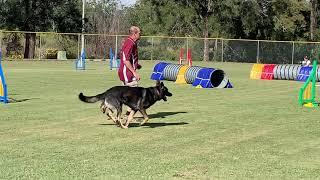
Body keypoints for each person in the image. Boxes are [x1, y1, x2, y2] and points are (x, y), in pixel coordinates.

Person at [118, 26, 142, 115]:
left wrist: (136, 65)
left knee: (127, 95)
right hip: (127, 73)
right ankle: (127, 116)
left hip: (126, 71)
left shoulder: (131, 42)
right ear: (134, 33)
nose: (141, 34)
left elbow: (129, 58)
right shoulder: (130, 43)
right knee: (136, 96)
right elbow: (126, 60)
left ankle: (125, 114)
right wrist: (134, 72)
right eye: (139, 33)